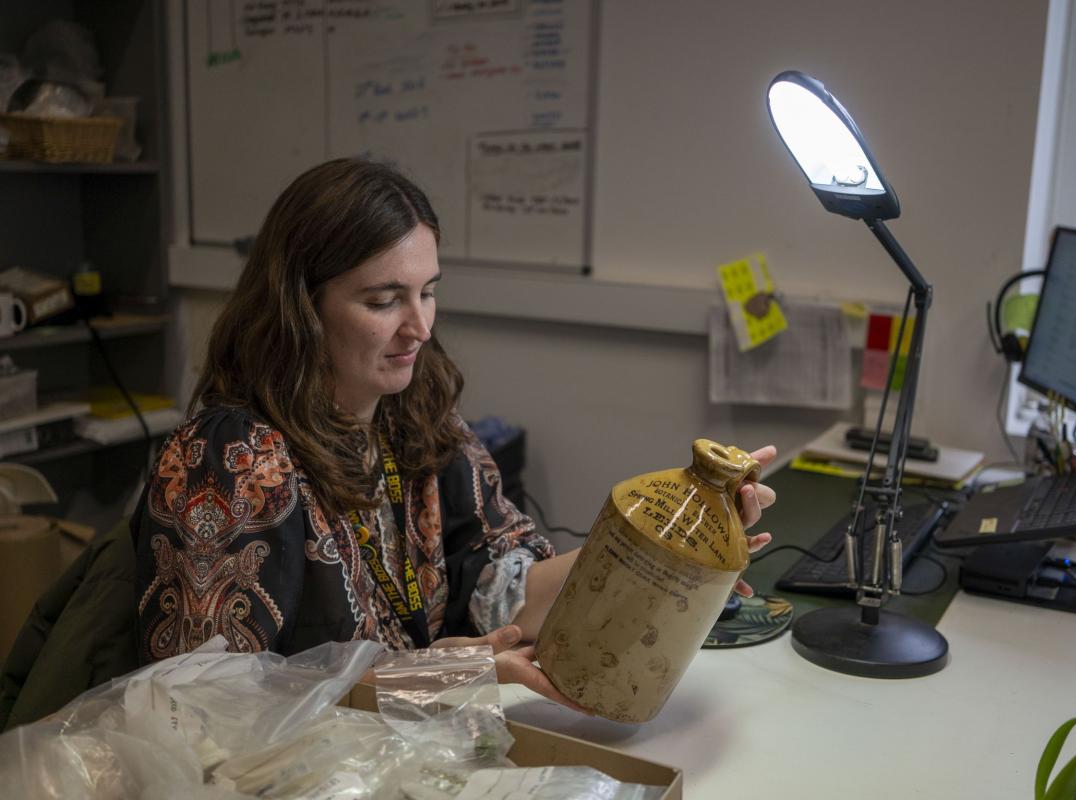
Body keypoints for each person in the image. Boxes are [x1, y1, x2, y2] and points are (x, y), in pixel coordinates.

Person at [131, 158, 776, 708]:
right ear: (299, 308)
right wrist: (438, 677)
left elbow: (503, 592)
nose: (420, 327)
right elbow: (204, 706)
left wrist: (668, 553)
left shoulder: (417, 418)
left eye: (428, 293)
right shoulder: (230, 461)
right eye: (384, 301)